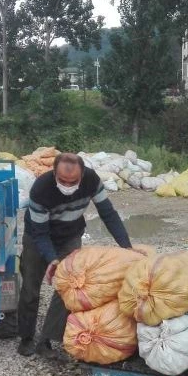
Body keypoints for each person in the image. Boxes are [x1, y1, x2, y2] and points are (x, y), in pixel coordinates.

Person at [15, 153, 134, 357]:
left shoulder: (92, 180)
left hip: (70, 234)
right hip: (38, 237)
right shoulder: (40, 189)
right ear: (54, 173)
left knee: (69, 287)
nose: (68, 185)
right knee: (30, 288)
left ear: (82, 175)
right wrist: (53, 259)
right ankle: (26, 337)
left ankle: (47, 339)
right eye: (62, 181)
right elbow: (41, 233)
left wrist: (127, 247)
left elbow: (108, 214)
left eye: (73, 182)